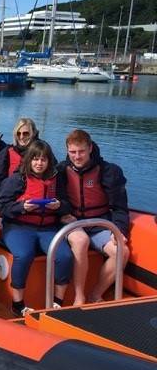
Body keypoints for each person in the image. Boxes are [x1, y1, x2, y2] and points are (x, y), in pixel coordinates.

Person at [0, 140, 73, 317]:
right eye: (36, 159)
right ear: (29, 160)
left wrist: (59, 206)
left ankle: (57, 303)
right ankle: (18, 304)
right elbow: (1, 206)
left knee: (64, 256)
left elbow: (68, 204)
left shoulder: (56, 180)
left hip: (47, 227)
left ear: (49, 162)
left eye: (43, 160)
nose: (39, 163)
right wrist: (22, 207)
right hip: (18, 226)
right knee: (23, 255)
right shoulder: (18, 179)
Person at [59, 129, 130, 305]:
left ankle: (95, 293)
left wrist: (119, 230)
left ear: (90, 148)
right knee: (80, 241)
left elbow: (120, 207)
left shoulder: (109, 171)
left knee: (122, 252)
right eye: (73, 152)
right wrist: (63, 213)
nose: (77, 156)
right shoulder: (60, 171)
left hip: (100, 224)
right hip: (74, 224)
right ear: (67, 150)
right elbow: (56, 198)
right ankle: (79, 296)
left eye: (81, 151)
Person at [0, 118, 39, 194]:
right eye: (18, 133)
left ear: (33, 133)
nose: (21, 137)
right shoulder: (7, 152)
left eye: (25, 133)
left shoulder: (42, 151)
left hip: (35, 196)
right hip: (11, 197)